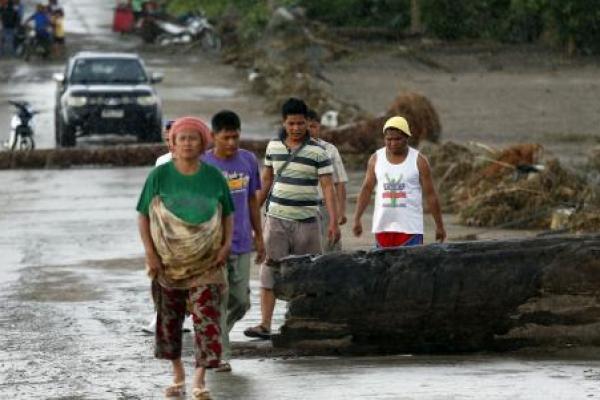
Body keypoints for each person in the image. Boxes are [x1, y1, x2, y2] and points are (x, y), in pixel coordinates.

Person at [136, 116, 234, 399]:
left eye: (194, 138)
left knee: (207, 319)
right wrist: (151, 253)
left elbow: (226, 213)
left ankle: (199, 380)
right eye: (182, 139)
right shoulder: (158, 176)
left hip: (207, 262)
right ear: (173, 144)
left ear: (203, 143)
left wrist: (226, 244)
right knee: (169, 321)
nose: (188, 143)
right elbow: (143, 216)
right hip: (167, 263)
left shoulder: (214, 176)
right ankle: (178, 373)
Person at [244, 97, 340, 340]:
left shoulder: (318, 151)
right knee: (270, 270)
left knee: (310, 273)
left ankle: (303, 323)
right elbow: (266, 181)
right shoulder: (273, 147)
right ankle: (265, 324)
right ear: (283, 122)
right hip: (275, 220)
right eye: (291, 124)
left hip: (308, 221)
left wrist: (334, 221)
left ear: (308, 122)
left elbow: (328, 187)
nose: (296, 128)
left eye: (300, 123)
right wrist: (252, 215)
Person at [202, 110, 265, 372]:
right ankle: (220, 354)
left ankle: (209, 337)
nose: (231, 143)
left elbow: (252, 200)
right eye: (226, 138)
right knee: (220, 297)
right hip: (212, 246)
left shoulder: (248, 160)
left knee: (242, 301)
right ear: (213, 136)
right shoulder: (203, 165)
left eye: (235, 137)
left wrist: (259, 236)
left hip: (241, 242)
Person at [353, 116, 446, 247]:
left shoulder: (419, 161)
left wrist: (439, 226)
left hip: (410, 230)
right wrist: (357, 218)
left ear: (407, 138)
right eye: (389, 139)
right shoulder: (375, 159)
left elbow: (430, 195)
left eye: (397, 139)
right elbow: (366, 189)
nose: (393, 143)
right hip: (383, 229)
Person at [307, 109, 348, 252]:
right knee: (305, 253)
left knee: (331, 249)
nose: (310, 130)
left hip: (325, 206)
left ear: (319, 127)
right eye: (306, 127)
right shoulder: (293, 150)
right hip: (304, 207)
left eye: (313, 126)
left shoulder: (330, 150)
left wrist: (341, 212)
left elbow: (340, 182)